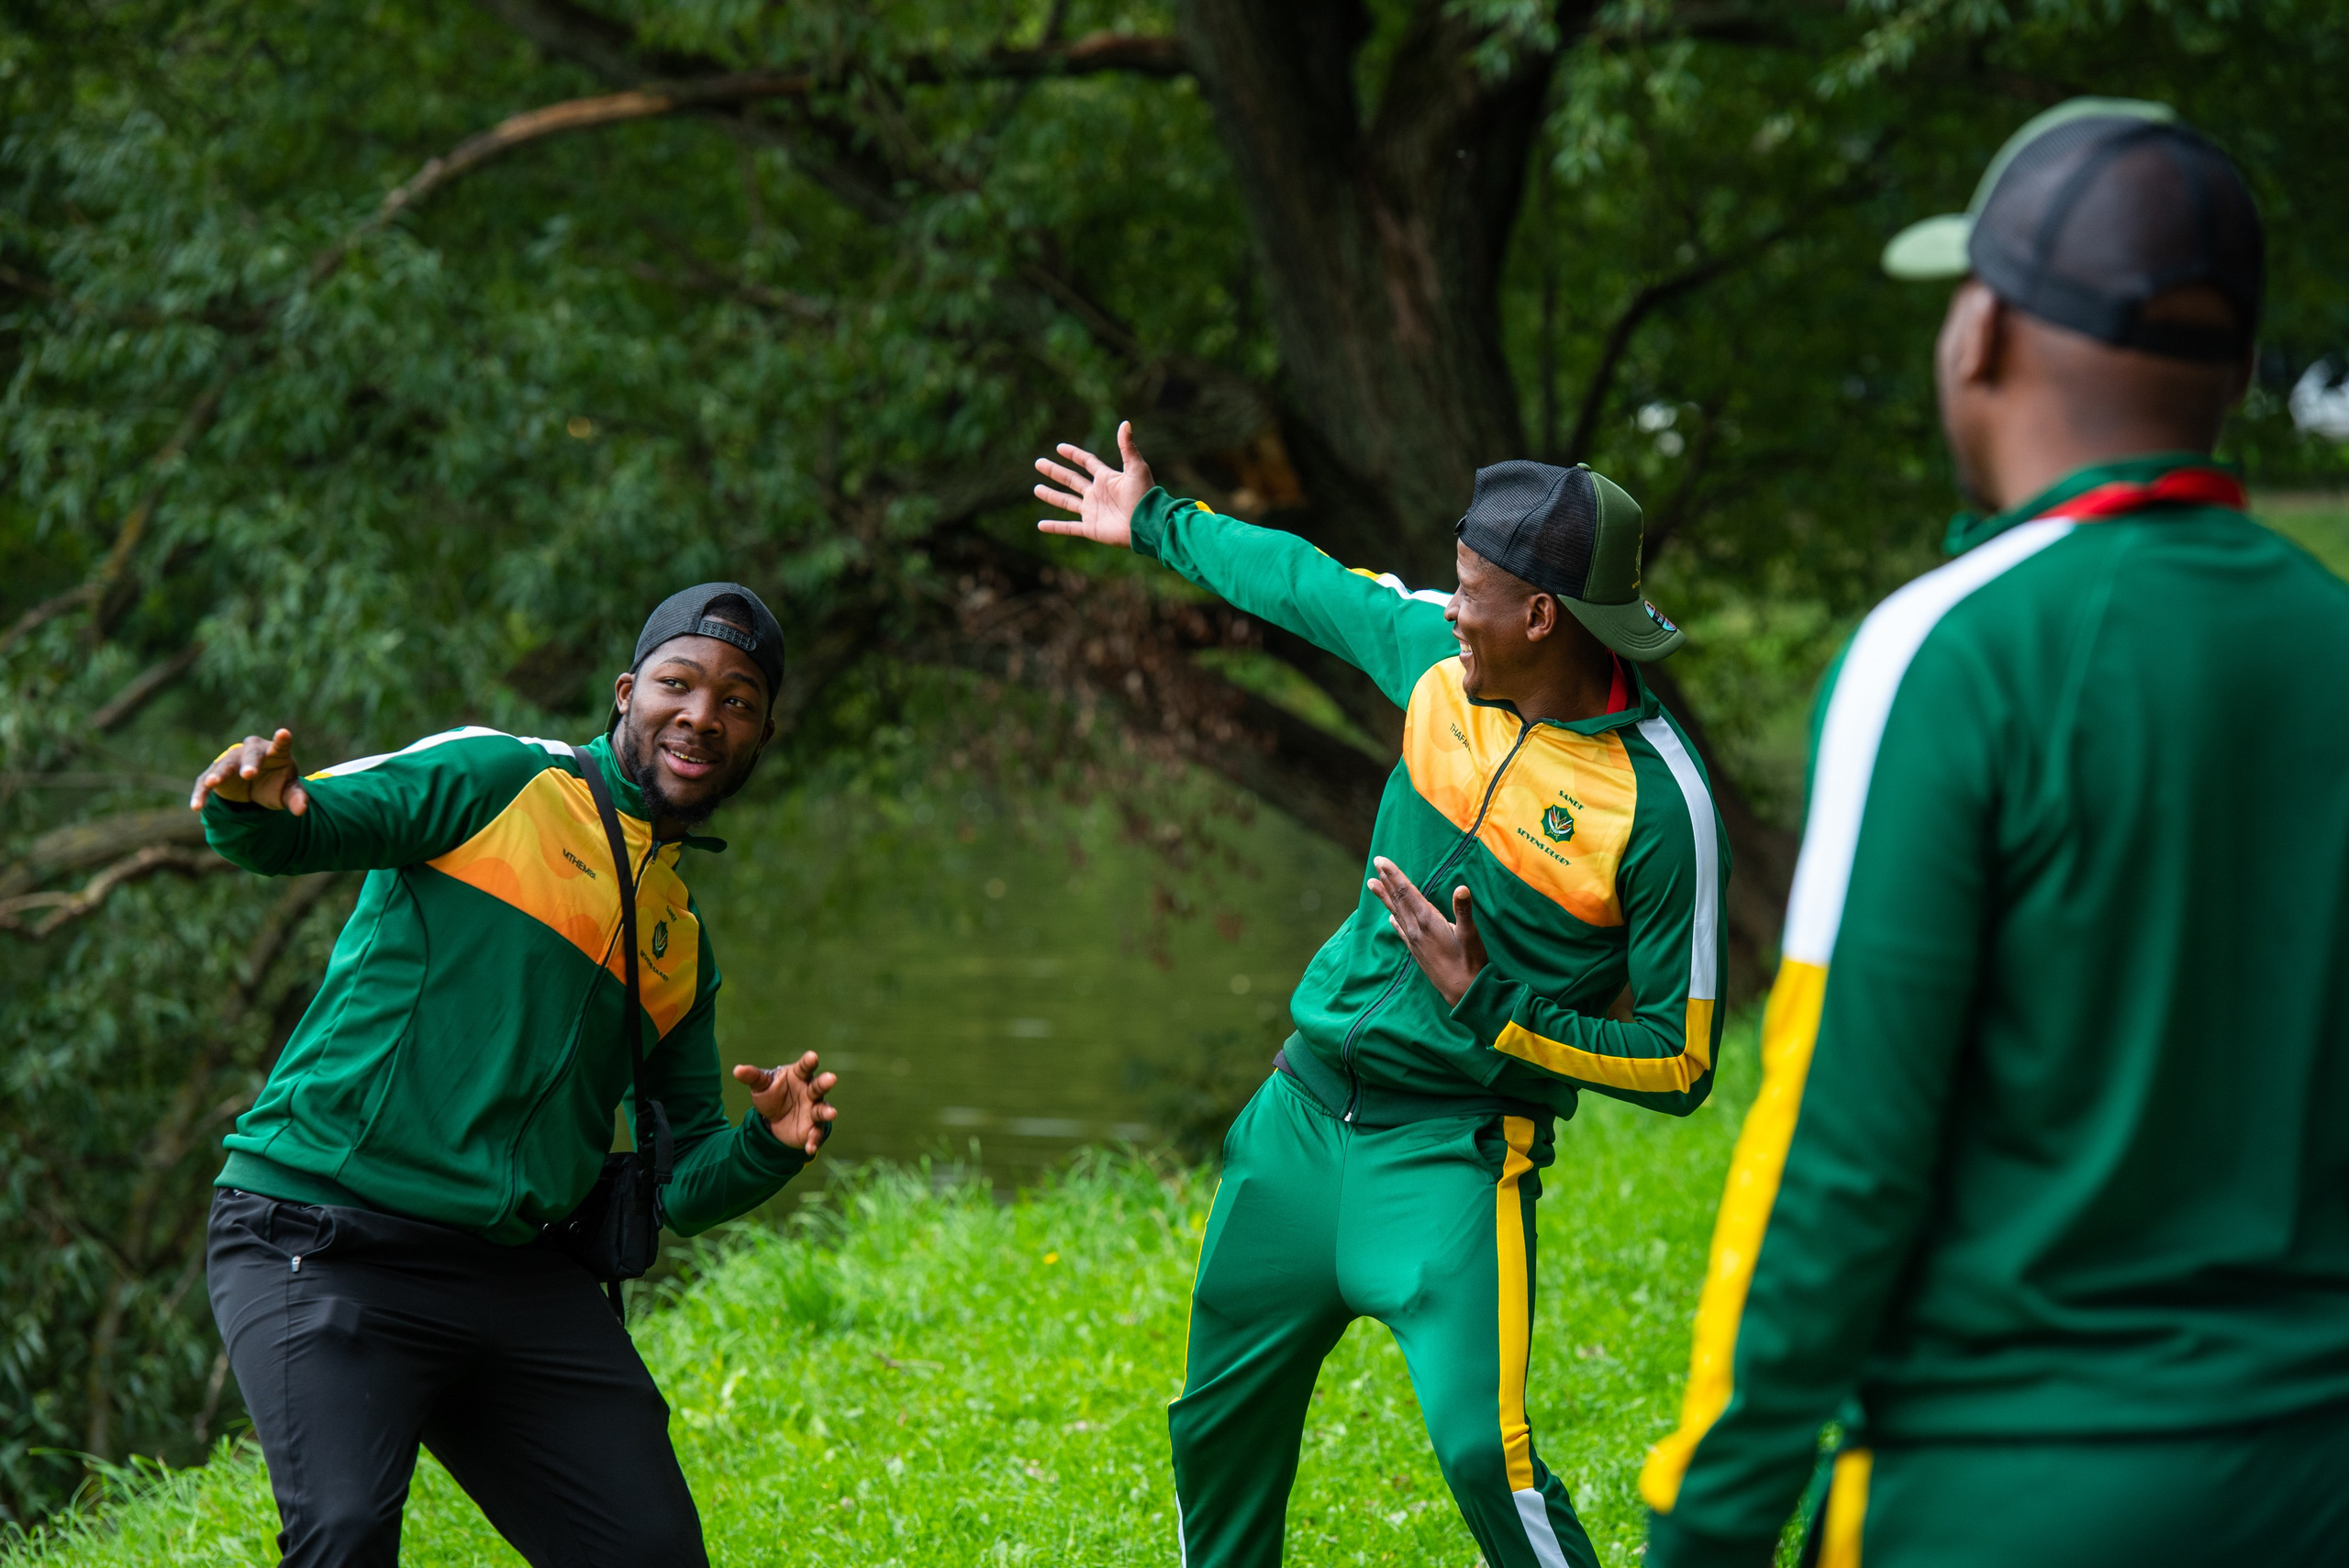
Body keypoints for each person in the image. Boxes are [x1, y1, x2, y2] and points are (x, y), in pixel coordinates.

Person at [1640, 99, 2349, 1568]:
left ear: (1983, 334)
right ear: (2234, 370)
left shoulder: (1946, 652)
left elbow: (1838, 1153)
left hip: (2004, 1493)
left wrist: (1710, 1522)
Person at [1035, 434, 1731, 1568]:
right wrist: (1155, 519)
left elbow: (1681, 1059)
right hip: (1300, 1119)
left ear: (1540, 615)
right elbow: (1304, 583)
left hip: (1453, 1154)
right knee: (1215, 1428)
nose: (1449, 610)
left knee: (1484, 1454)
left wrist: (1489, 1002)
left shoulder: (1660, 805)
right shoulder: (1436, 665)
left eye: (1469, 591)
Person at [194, 584, 838, 1568]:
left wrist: (768, 1145)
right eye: (678, 682)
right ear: (626, 693)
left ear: (761, 734)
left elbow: (678, 1184)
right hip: (322, 1235)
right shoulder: (498, 776)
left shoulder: (679, 944)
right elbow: (293, 825)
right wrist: (247, 796)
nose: (702, 715)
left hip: (511, 1271)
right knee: (345, 1530)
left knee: (652, 1553)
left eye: (738, 700)